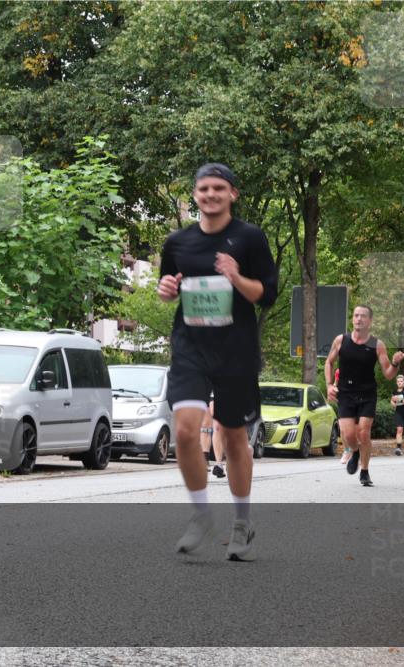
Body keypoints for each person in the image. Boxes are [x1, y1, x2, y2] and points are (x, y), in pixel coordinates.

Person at [157, 163, 278, 562]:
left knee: (234, 436)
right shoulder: (178, 243)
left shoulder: (249, 238)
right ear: (194, 194)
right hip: (191, 348)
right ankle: (201, 513)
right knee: (187, 431)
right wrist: (166, 289)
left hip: (236, 351)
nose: (210, 195)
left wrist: (236, 277)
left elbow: (267, 294)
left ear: (232, 194)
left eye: (219, 188)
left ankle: (242, 521)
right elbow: (168, 289)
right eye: (204, 188)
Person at [324, 305, 404, 486]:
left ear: (370, 321)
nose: (358, 319)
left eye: (363, 316)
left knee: (363, 432)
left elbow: (388, 373)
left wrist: (394, 364)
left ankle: (364, 471)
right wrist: (329, 384)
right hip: (346, 392)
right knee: (347, 433)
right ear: (352, 319)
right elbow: (329, 362)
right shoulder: (341, 340)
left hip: (367, 393)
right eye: (356, 315)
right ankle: (354, 451)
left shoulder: (377, 345)